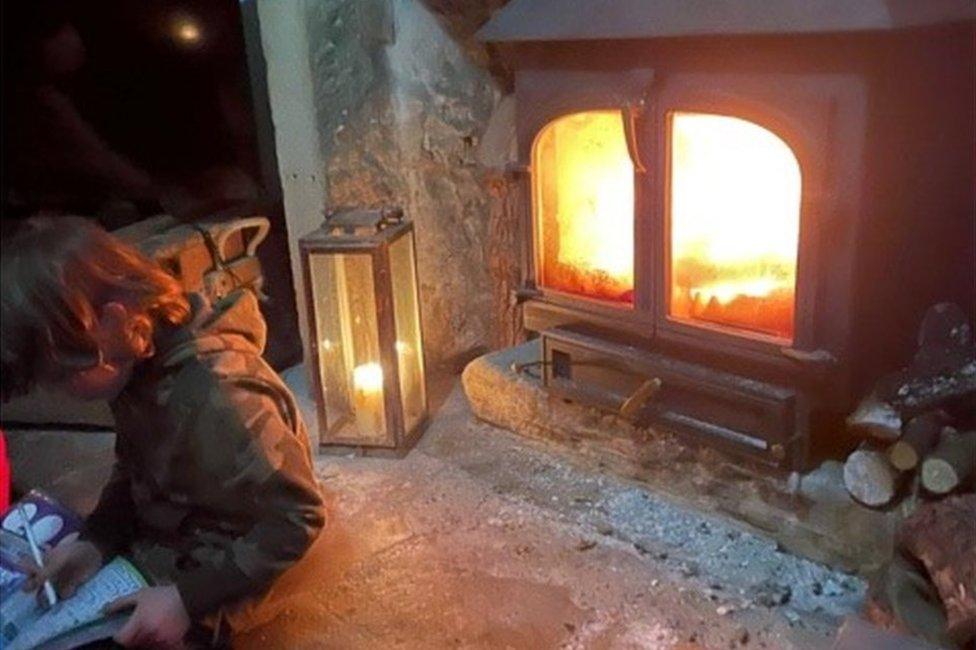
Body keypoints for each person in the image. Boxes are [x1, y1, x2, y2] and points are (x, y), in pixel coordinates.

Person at [1, 215, 326, 647]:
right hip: (169, 542)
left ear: (113, 322)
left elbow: (298, 517)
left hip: (231, 570)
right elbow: (133, 465)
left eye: (63, 377)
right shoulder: (132, 364)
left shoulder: (219, 395)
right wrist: (96, 541)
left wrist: (186, 600)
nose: (62, 394)